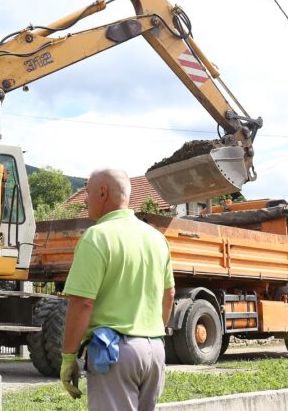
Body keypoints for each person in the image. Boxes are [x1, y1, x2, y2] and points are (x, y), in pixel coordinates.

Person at [60, 168, 175, 411]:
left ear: (103, 193)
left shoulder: (97, 237)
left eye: (88, 191)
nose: (84, 199)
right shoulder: (156, 238)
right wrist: (151, 334)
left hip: (114, 353)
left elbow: (82, 303)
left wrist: (69, 357)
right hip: (154, 351)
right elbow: (169, 296)